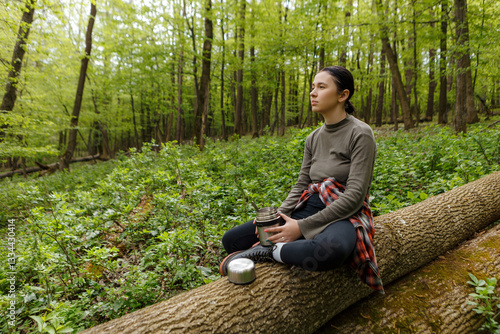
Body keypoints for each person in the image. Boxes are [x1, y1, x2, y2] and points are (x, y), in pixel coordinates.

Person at [220, 65, 384, 293]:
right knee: (232, 240)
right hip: (308, 205)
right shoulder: (313, 138)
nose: (312, 93)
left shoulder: (360, 133)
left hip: (342, 212)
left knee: (332, 251)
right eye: (312, 87)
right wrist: (278, 218)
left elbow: (355, 196)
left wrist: (301, 228)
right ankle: (286, 246)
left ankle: (272, 252)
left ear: (342, 95)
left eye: (321, 87)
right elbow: (301, 184)